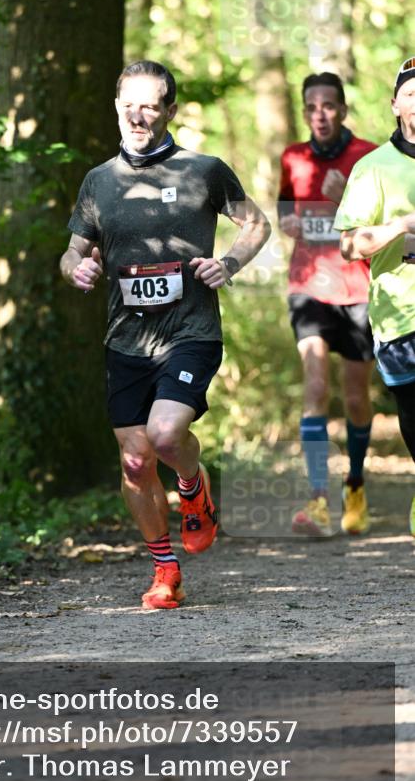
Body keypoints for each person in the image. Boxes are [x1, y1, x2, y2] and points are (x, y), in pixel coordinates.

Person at [60, 60, 271, 609]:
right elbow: (74, 250)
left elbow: (256, 223)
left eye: (150, 104)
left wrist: (228, 263)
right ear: (116, 106)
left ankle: (193, 485)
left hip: (190, 330)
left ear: (169, 110)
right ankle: (164, 569)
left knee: (166, 435)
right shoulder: (98, 182)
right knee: (134, 462)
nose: (137, 114)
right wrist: (76, 268)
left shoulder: (203, 170)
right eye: (128, 102)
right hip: (125, 338)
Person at [277, 73, 378, 537]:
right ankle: (317, 499)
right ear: (305, 113)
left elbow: (383, 227)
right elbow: (283, 212)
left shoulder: (370, 157)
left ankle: (354, 486)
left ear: (343, 110)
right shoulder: (293, 157)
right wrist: (292, 224)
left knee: (357, 399)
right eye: (312, 106)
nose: (320, 114)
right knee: (316, 388)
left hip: (359, 291)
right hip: (309, 287)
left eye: (329, 105)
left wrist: (346, 202)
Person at [334, 56, 415, 535]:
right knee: (411, 410)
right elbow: (348, 246)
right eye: (411, 91)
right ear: (394, 105)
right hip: (399, 314)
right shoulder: (373, 168)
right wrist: (401, 227)